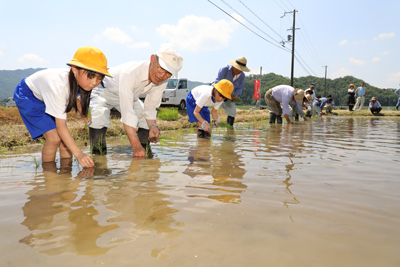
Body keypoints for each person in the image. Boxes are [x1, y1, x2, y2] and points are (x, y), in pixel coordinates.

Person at [13, 46, 111, 168]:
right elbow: (61, 126)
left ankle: (65, 175)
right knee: (54, 138)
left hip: (45, 94)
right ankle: (50, 175)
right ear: (74, 69)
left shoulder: (79, 82)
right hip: (29, 96)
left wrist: (83, 113)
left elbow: (78, 96)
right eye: (91, 75)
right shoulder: (58, 86)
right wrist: (79, 154)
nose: (95, 82)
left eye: (99, 78)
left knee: (65, 143)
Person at [88, 48, 183, 157]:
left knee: (144, 117)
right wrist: (135, 147)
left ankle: (145, 152)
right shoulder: (131, 72)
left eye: (168, 73)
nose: (162, 76)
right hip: (104, 91)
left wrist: (153, 126)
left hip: (129, 96)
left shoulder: (163, 81)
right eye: (161, 69)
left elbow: (150, 107)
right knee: (97, 118)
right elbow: (127, 113)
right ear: (152, 59)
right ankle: (99, 158)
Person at [214, 56, 251, 127]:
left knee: (233, 111)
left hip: (229, 96)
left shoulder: (242, 76)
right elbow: (217, 82)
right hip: (217, 92)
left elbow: (239, 88)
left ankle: (230, 129)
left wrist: (236, 95)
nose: (238, 71)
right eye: (237, 68)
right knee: (206, 106)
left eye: (241, 70)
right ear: (233, 66)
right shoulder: (224, 69)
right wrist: (225, 92)